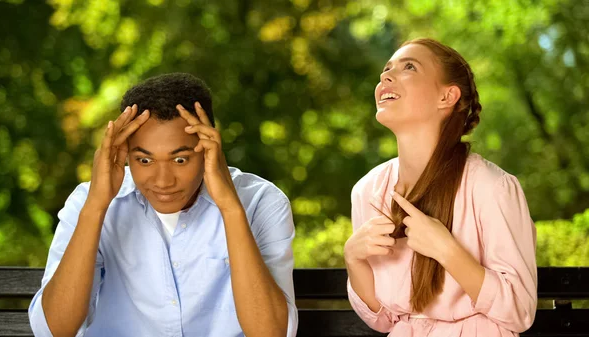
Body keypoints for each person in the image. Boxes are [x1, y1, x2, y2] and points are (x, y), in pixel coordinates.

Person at [28, 73, 298, 337]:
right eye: (144, 160)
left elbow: (273, 333)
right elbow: (53, 331)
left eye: (180, 160)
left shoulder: (262, 202)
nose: (163, 181)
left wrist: (230, 208)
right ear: (123, 154)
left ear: (207, 148)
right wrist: (96, 207)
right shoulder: (87, 202)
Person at [343, 38, 537, 336]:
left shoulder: (492, 187)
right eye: (386, 68)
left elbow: (519, 311)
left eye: (409, 66)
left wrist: (447, 250)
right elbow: (383, 321)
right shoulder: (368, 191)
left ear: (447, 97)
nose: (385, 76)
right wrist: (354, 259)